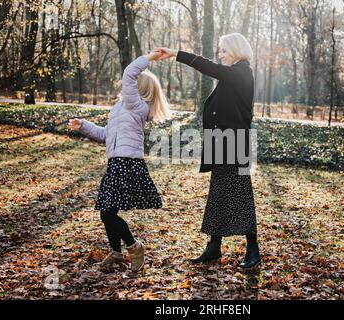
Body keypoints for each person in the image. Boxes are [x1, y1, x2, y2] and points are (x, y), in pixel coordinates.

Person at [156, 33, 261, 268]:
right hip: (224, 143)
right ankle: (214, 247)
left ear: (235, 50)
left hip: (235, 143)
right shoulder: (233, 76)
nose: (220, 54)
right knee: (219, 195)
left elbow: (209, 67)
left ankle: (253, 250)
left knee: (241, 195)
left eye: (223, 50)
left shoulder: (241, 72)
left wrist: (176, 53)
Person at [68, 51, 170, 272]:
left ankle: (134, 246)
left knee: (107, 212)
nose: (126, 87)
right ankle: (116, 253)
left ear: (139, 88)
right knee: (108, 212)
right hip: (116, 163)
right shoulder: (120, 108)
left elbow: (128, 73)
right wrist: (83, 125)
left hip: (127, 163)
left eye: (133, 84)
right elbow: (106, 134)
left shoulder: (137, 106)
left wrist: (149, 58)